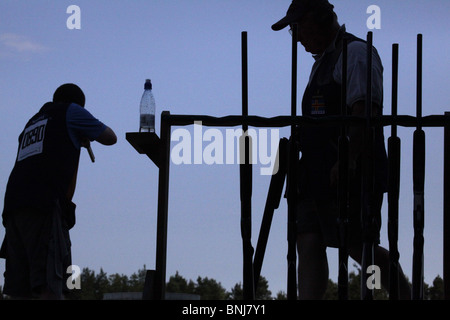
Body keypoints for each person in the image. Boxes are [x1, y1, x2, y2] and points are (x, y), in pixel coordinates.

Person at [272, 0, 411, 299]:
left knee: (360, 246)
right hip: (314, 173)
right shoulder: (322, 62)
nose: (296, 37)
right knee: (307, 237)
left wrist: (347, 160)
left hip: (353, 173)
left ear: (319, 19)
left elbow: (364, 111)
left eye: (298, 28)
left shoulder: (356, 53)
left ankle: (402, 295)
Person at [0, 83, 117, 299]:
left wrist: (77, 144)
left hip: (13, 210)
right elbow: (111, 137)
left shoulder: (33, 122)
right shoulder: (70, 111)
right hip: (42, 208)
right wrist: (85, 132)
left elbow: (63, 187)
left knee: (22, 289)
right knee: (49, 284)